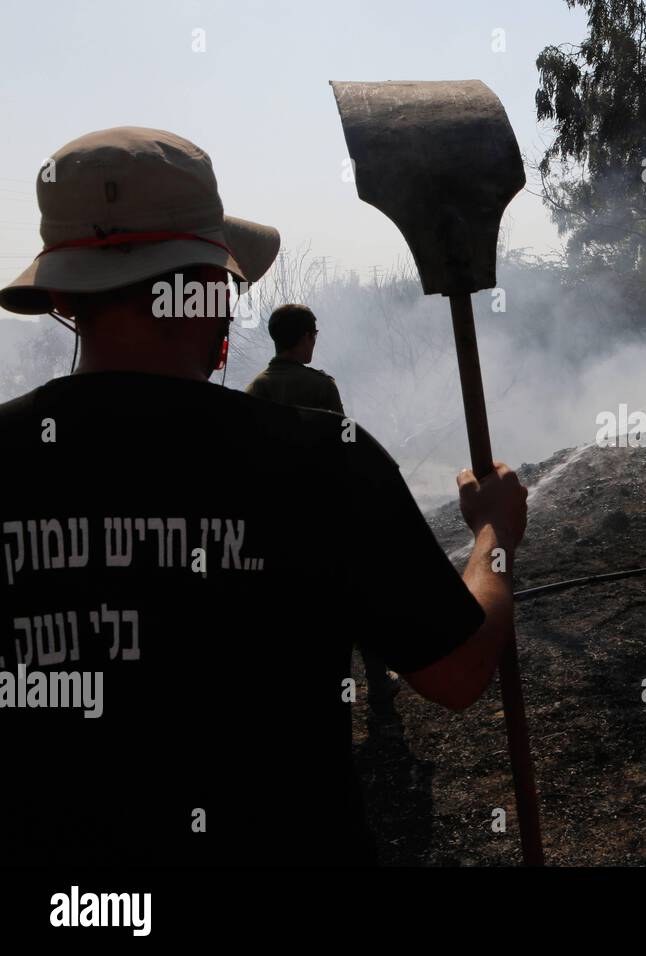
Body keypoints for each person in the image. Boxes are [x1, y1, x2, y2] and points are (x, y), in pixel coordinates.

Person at [0, 127, 527, 866]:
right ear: (212, 287)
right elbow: (459, 669)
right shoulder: (321, 459)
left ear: (59, 295)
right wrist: (494, 538)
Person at [246, 303, 401, 715]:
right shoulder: (320, 386)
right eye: (313, 334)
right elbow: (341, 444)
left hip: (281, 519)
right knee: (359, 595)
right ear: (307, 336)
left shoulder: (257, 387)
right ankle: (379, 686)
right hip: (327, 511)